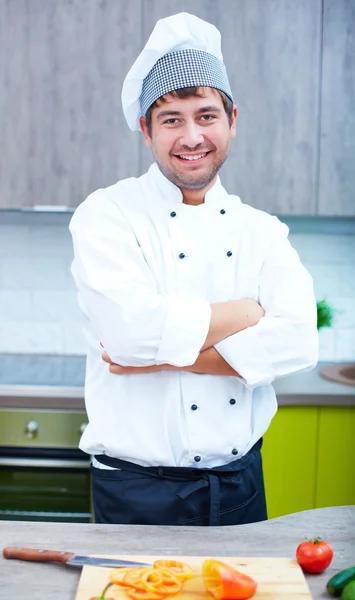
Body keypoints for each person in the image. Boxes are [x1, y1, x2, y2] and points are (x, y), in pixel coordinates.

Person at [69, 12, 318, 526]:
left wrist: (160, 358)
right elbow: (129, 333)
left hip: (241, 485)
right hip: (134, 488)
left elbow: (299, 340)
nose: (191, 137)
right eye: (171, 119)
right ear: (145, 130)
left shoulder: (262, 230)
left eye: (206, 116)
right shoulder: (107, 214)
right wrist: (247, 313)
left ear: (232, 121)